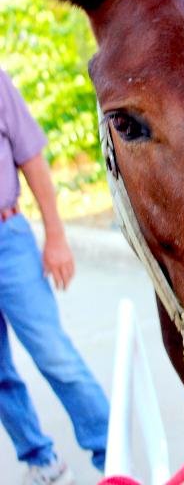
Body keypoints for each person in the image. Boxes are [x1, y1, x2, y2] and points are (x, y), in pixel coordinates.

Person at [0, 68, 109, 485]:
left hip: (8, 238)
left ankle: (110, 457)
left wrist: (56, 236)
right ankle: (41, 460)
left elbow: (31, 159)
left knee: (54, 355)